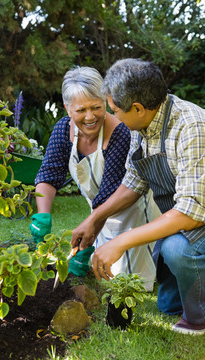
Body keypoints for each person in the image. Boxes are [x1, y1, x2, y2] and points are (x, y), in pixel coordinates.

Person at [71, 58, 205, 335]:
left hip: (196, 220)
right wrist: (95, 218)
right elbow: (134, 181)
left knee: (176, 250)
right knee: (168, 307)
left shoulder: (191, 126)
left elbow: (191, 213)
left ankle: (199, 318)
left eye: (116, 111)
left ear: (138, 108)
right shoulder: (141, 126)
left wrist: (120, 242)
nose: (114, 118)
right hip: (184, 220)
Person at [30, 65, 160, 289]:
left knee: (124, 280)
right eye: (81, 110)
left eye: (96, 107)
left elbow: (110, 191)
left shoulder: (120, 133)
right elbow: (48, 174)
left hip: (133, 213)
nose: (90, 117)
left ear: (106, 102)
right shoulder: (63, 130)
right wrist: (43, 216)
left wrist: (89, 234)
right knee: (98, 268)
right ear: (67, 108)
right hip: (99, 215)